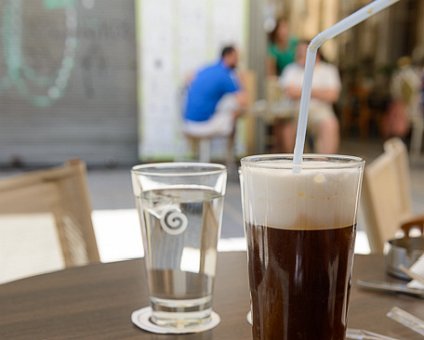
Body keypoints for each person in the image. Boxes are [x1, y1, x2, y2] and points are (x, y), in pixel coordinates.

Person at [278, 41, 341, 153]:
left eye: (303, 51)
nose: (299, 54)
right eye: (298, 52)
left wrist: (301, 91)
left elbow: (333, 95)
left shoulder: (328, 70)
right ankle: (290, 163)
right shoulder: (290, 69)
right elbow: (289, 92)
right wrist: (319, 92)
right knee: (285, 128)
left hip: (321, 111)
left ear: (316, 53)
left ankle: (324, 164)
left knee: (330, 125)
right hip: (294, 110)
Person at [183, 46, 247, 138]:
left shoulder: (207, 68)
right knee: (234, 113)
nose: (238, 61)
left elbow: (188, 79)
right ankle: (230, 152)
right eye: (236, 57)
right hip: (202, 123)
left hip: (188, 121)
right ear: (227, 56)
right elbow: (243, 100)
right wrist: (241, 80)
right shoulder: (224, 75)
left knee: (227, 106)